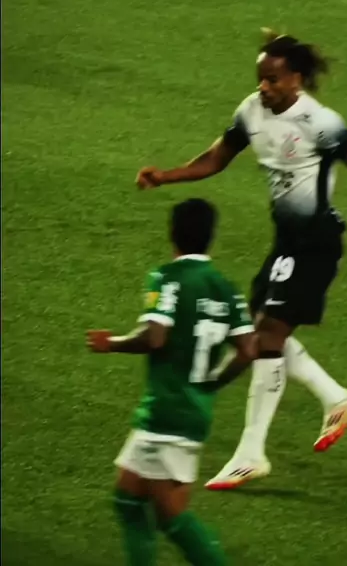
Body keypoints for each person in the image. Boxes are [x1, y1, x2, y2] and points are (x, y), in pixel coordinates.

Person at [135, 29, 347, 491]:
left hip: (317, 242)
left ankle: (251, 453)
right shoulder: (252, 110)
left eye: (273, 79)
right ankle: (335, 397)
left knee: (265, 336)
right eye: (260, 78)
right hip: (285, 243)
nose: (264, 86)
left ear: (296, 78)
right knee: (256, 332)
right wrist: (165, 176)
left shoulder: (319, 122)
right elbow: (216, 158)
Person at [87, 198, 256, 565]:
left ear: (172, 234)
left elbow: (155, 337)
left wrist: (112, 344)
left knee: (171, 517)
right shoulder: (227, 289)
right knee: (129, 499)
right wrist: (212, 383)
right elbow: (248, 349)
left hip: (164, 412)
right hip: (194, 414)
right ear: (211, 236)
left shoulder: (167, 278)